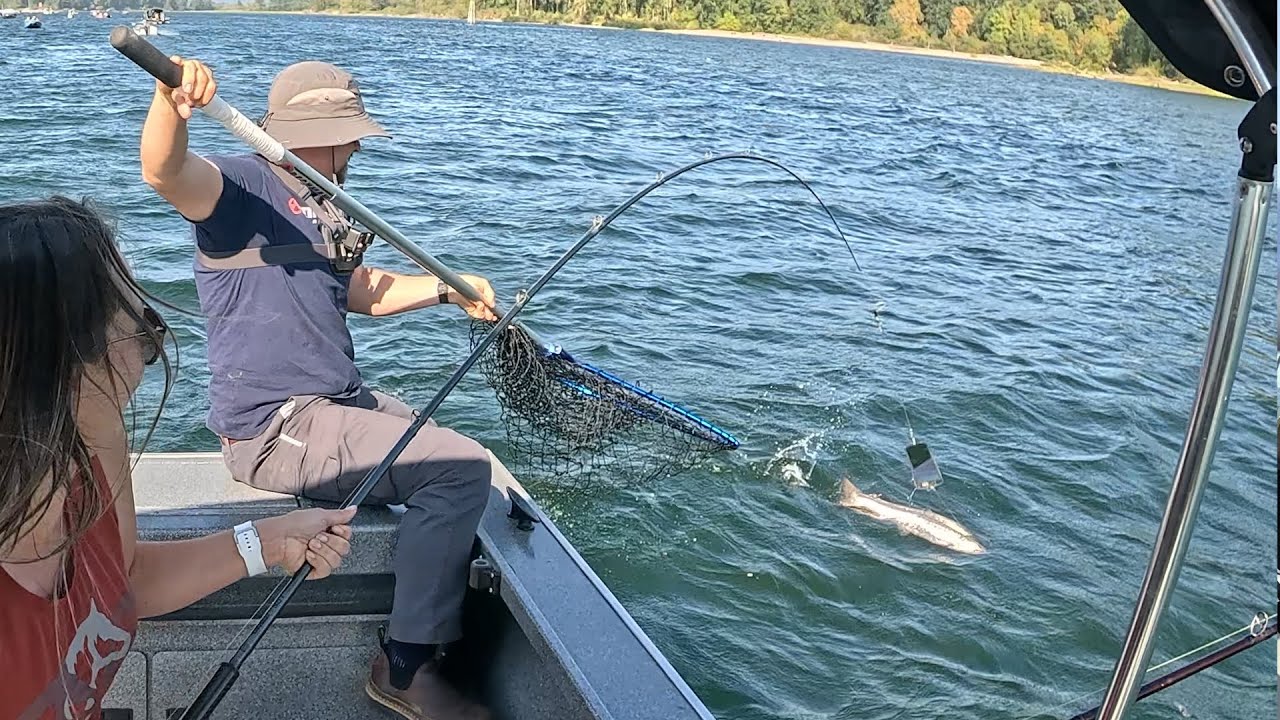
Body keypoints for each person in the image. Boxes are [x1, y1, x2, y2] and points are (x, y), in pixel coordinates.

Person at [140, 56, 496, 720]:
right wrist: (170, 102)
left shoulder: (324, 201)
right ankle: (404, 667)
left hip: (336, 400)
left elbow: (360, 289)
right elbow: (165, 171)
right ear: (315, 131)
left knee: (445, 445)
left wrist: (450, 288)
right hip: (276, 427)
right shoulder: (240, 188)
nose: (358, 144)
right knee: (460, 471)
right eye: (350, 131)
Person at [0, 196, 356, 720]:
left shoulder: (97, 445)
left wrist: (270, 540)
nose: (152, 336)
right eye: (143, 324)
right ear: (71, 360)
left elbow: (128, 579)